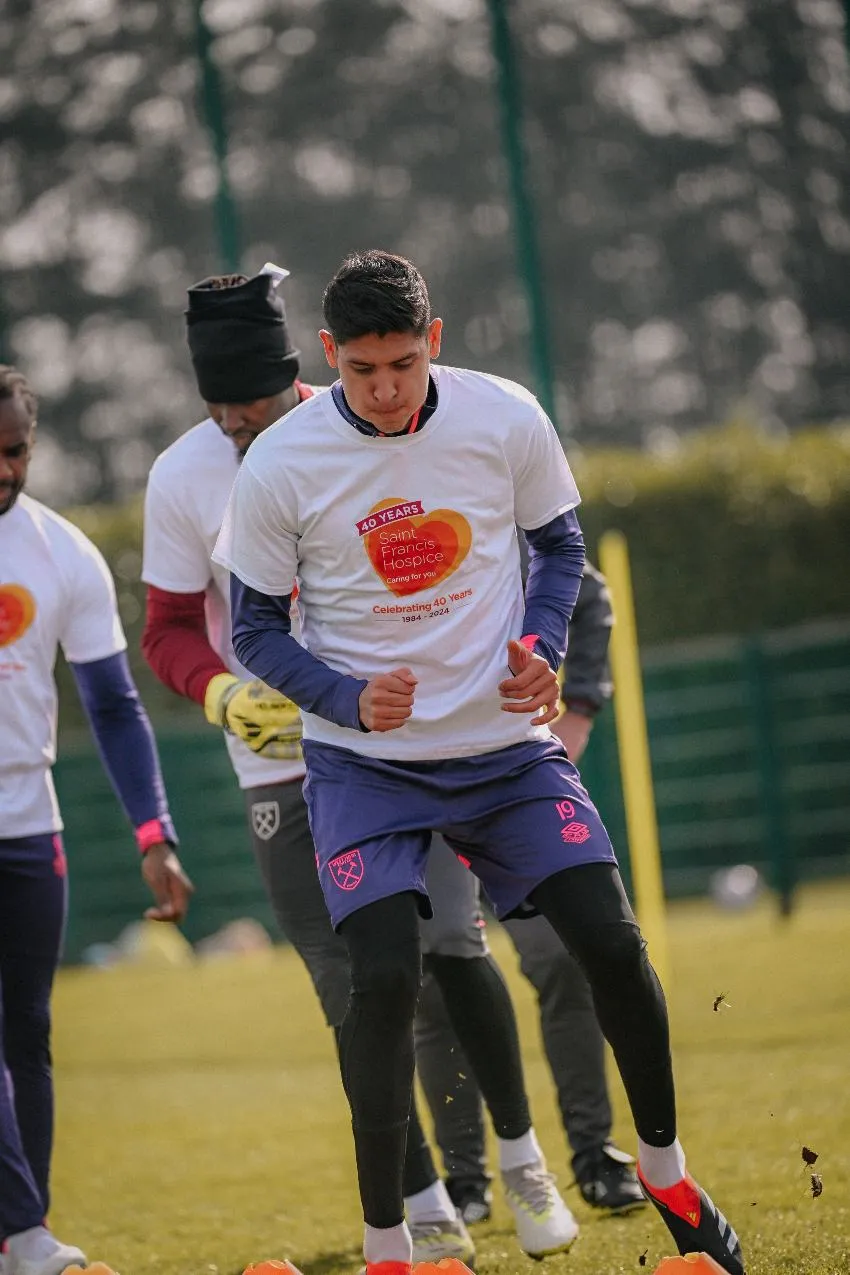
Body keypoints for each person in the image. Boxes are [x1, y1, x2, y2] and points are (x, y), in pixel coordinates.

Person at [213, 250, 745, 1275]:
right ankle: (388, 1248)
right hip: (366, 767)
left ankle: (669, 1174)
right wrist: (341, 697)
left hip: (506, 752)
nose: (384, 389)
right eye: (362, 369)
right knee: (378, 979)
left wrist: (542, 649)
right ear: (329, 356)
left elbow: (559, 547)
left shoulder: (506, 418)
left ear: (435, 343)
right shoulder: (282, 463)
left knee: (611, 944)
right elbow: (255, 630)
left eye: (403, 364)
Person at [140, 266, 575, 1267]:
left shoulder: (377, 422)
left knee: (455, 951)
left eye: (254, 406)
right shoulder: (181, 476)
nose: (239, 427)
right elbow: (168, 630)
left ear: (301, 370)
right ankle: (423, 1201)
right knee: (356, 984)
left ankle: (521, 1160)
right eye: (220, 412)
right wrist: (222, 694)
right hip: (281, 773)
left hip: (416, 750)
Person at [0, 365, 193, 1275]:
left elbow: (115, 707)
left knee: (26, 1033)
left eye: (14, 451)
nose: (2, 468)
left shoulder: (63, 553)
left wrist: (153, 831)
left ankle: (18, 1232)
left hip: (29, 827)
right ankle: (30, 1236)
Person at [415, 561, 646, 1222]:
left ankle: (596, 1157)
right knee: (441, 969)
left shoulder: (490, 481)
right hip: (414, 778)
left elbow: (587, 587)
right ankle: (466, 1181)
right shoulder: (355, 499)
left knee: (563, 960)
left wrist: (579, 707)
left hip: (513, 776)